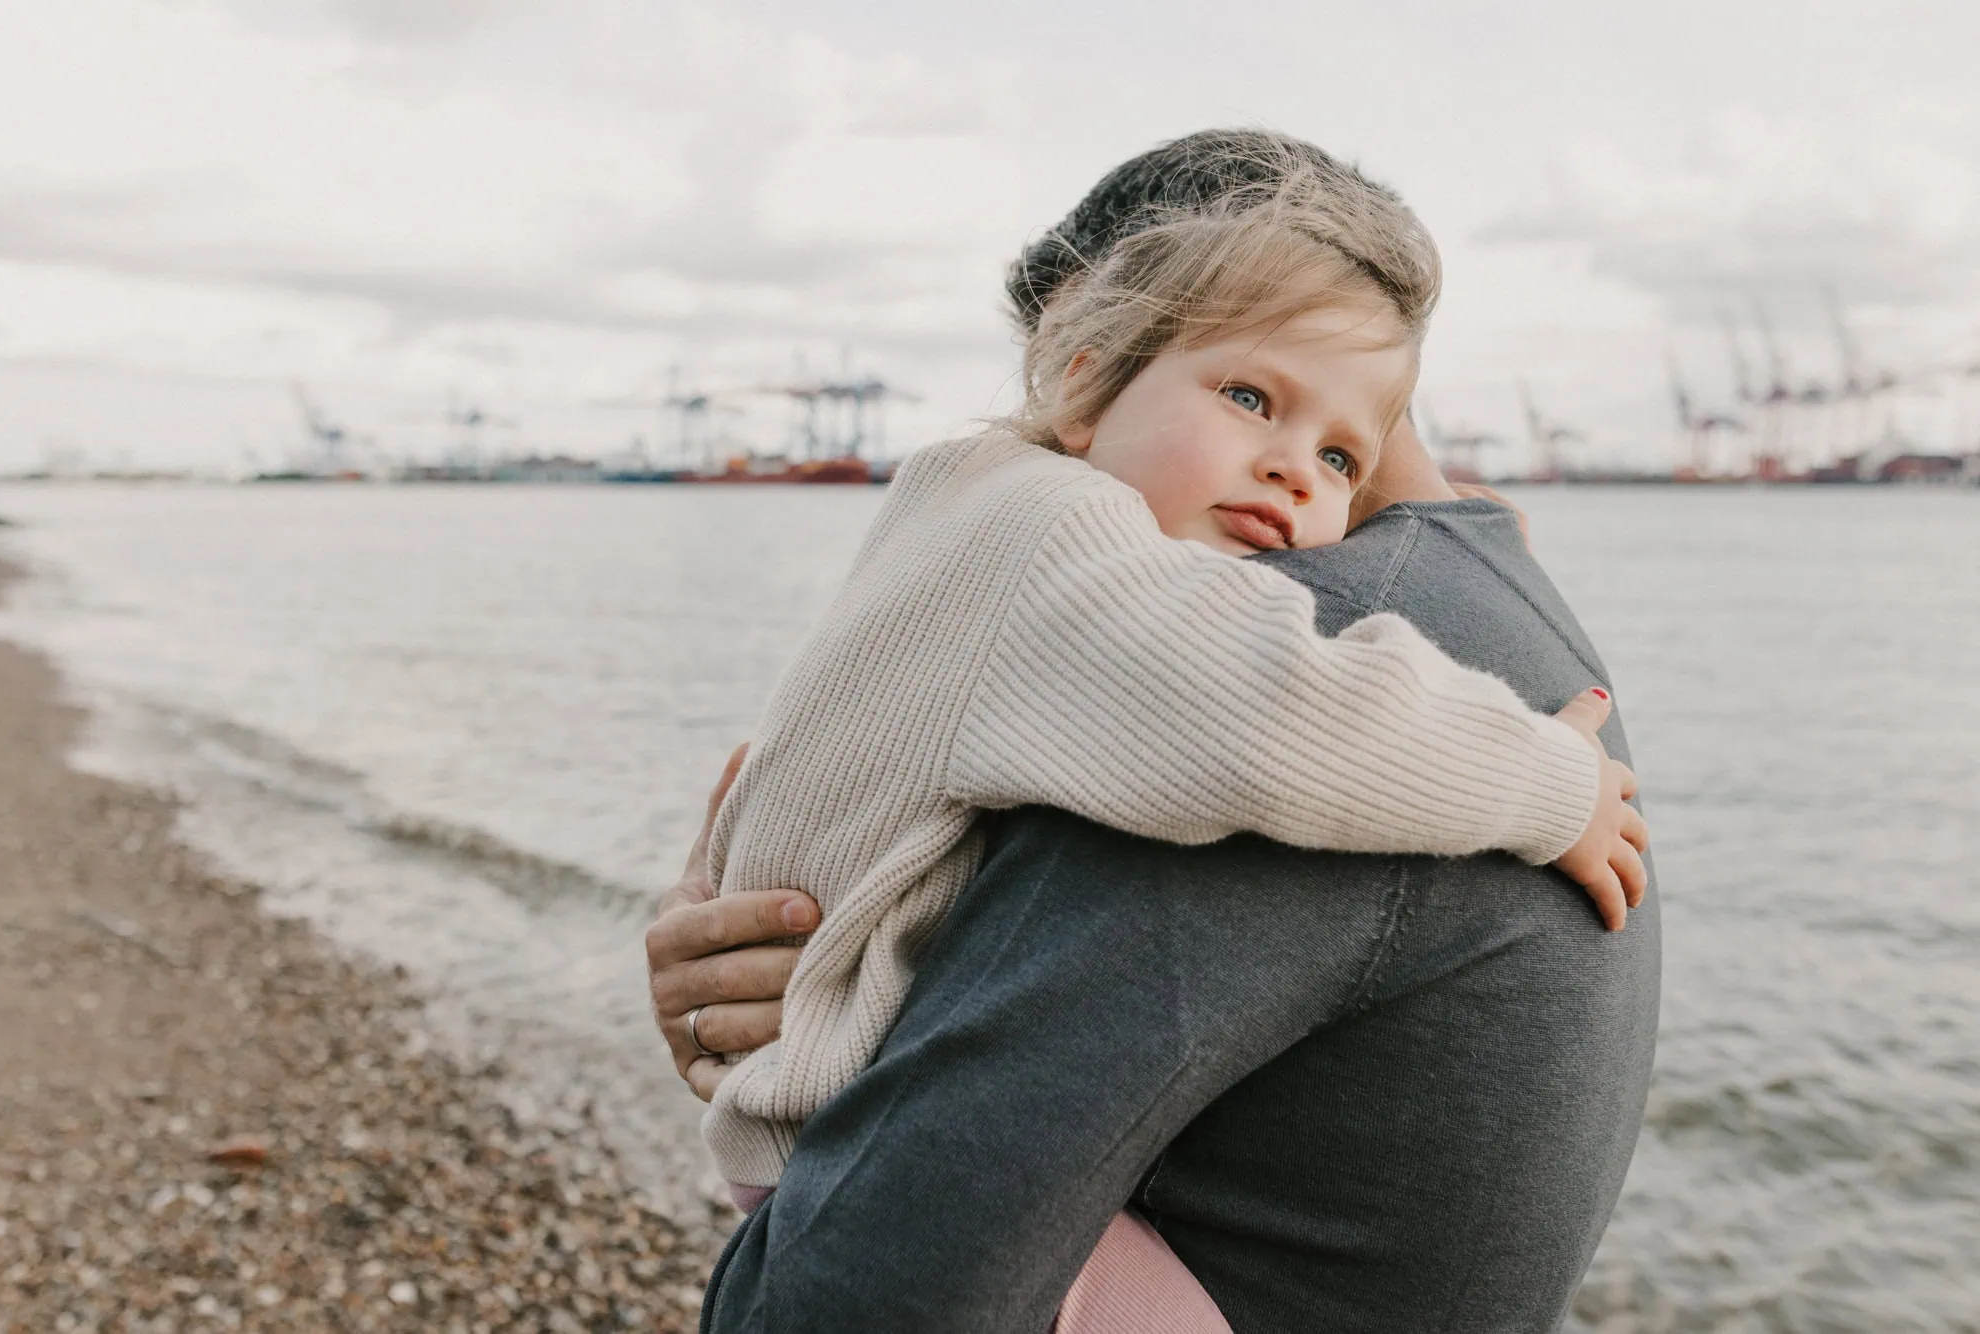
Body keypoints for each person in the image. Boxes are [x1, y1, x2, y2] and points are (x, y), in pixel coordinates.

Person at [651, 131, 1662, 1331]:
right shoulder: (1079, 546)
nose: (1292, 476)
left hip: (802, 1138)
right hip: (827, 1136)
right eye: (1245, 398)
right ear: (1087, 377)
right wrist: (1551, 779)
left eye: (1334, 451)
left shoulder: (993, 518)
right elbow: (1268, 715)